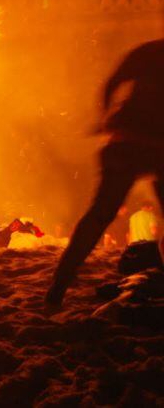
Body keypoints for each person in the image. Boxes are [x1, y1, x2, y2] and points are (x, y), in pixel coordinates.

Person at [47, 38, 164, 307]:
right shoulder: (150, 52)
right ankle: (59, 285)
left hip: (138, 142)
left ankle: (58, 286)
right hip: (134, 141)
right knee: (101, 214)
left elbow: (113, 82)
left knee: (100, 214)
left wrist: (106, 115)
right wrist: (105, 116)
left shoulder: (147, 51)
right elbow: (114, 82)